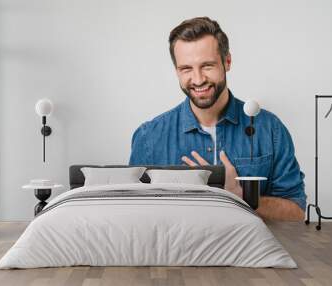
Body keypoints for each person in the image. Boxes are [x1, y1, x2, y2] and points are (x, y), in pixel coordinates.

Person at [128, 17, 306, 221]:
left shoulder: (270, 129)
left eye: (207, 66)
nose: (198, 79)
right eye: (186, 68)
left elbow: (297, 214)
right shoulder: (149, 136)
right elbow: (136, 217)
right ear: (176, 70)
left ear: (227, 62)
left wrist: (239, 196)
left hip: (247, 252)